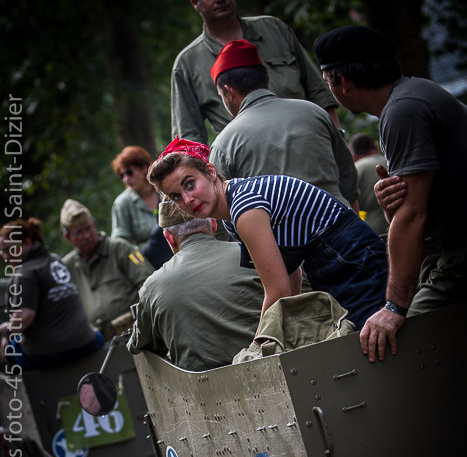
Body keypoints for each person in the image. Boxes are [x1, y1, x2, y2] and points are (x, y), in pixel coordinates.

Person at [313, 25, 467, 361]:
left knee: (402, 347)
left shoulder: (403, 111)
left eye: (327, 83)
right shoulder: (411, 96)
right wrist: (390, 206)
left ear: (343, 83)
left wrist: (394, 307)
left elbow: (413, 216)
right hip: (449, 254)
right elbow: (413, 206)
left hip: (459, 259)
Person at [147, 138, 388, 332]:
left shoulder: (244, 208)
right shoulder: (233, 212)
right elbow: (291, 275)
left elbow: (278, 290)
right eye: (176, 196)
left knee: (370, 348)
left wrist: (256, 346)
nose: (187, 199)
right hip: (334, 264)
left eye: (190, 184)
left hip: (353, 261)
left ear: (210, 172)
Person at [171, 0, 340, 144]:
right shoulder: (188, 64)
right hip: (246, 152)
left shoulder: (274, 29)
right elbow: (189, 137)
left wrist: (336, 139)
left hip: (307, 140)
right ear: (195, 3)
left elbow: (318, 91)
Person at [209, 39, 358, 211]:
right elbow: (348, 180)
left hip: (284, 228)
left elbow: (223, 211)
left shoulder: (224, 144)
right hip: (339, 217)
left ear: (229, 91)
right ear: (265, 78)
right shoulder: (314, 112)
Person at [128, 197, 264, 370]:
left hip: (204, 384)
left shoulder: (152, 286)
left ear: (169, 238)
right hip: (270, 367)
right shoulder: (253, 254)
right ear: (213, 224)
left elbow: (139, 344)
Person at [0, 218, 104, 370]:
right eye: (3, 252)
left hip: (49, 354)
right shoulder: (55, 260)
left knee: (11, 347)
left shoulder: (25, 272)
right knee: (98, 335)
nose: (6, 256)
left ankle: (26, 384)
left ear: (27, 243)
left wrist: (6, 331)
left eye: (10, 250)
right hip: (86, 342)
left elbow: (25, 316)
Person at [61, 199, 154, 339]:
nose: (86, 236)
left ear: (94, 224)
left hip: (136, 333)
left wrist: (140, 317)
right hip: (98, 343)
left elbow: (150, 285)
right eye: (79, 232)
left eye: (88, 228)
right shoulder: (67, 267)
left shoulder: (120, 248)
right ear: (68, 237)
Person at [111, 145, 173, 270]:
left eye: (129, 173)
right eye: (122, 175)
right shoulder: (122, 203)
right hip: (147, 266)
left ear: (144, 168)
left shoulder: (163, 191)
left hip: (176, 256)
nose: (126, 179)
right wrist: (140, 264)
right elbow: (120, 245)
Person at [348, 133, 388, 235]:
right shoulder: (389, 161)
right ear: (375, 146)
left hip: (375, 230)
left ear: (353, 155)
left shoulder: (355, 169)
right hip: (403, 221)